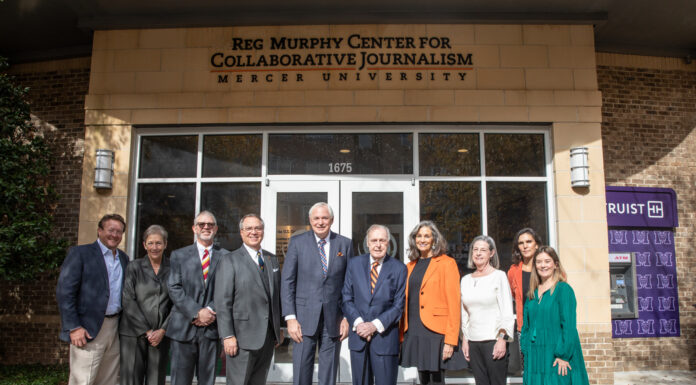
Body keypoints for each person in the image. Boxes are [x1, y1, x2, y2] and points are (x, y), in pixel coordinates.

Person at [280, 202, 354, 385]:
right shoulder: (297, 243)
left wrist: (346, 317)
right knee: (301, 370)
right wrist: (290, 318)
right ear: (310, 220)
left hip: (334, 319)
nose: (320, 222)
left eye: (324, 218)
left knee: (329, 373)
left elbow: (349, 284)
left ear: (332, 220)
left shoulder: (345, 244)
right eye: (316, 218)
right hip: (303, 319)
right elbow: (288, 281)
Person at [56, 213, 129, 385]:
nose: (115, 235)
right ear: (99, 231)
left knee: (108, 379)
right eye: (111, 230)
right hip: (87, 328)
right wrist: (73, 327)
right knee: (83, 380)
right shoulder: (81, 253)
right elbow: (64, 292)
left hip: (114, 327)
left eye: (119, 232)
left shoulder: (123, 259)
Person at [215, 214, 282, 385]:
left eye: (258, 228)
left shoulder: (271, 259)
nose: (254, 232)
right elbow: (223, 302)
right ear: (241, 232)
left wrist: (278, 327)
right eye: (249, 228)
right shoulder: (229, 260)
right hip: (241, 339)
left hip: (267, 338)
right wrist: (227, 335)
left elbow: (275, 297)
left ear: (263, 231)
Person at [400, 220, 466, 385]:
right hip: (414, 327)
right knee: (423, 377)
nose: (422, 240)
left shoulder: (446, 263)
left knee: (436, 379)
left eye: (427, 236)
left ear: (434, 240)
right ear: (414, 239)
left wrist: (451, 340)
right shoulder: (409, 266)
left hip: (436, 331)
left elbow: (454, 302)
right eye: (419, 236)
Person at [342, 225, 407, 385]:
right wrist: (359, 324)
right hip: (359, 338)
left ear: (388, 243)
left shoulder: (399, 268)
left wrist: (373, 326)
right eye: (374, 240)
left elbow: (398, 305)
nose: (378, 245)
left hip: (385, 339)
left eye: (382, 240)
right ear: (367, 243)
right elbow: (346, 298)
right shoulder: (354, 264)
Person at [167, 210, 225, 385]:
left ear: (216, 229)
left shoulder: (227, 256)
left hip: (211, 329)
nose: (206, 227)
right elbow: (174, 287)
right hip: (183, 328)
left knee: (207, 381)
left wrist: (209, 310)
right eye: (201, 224)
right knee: (180, 381)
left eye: (210, 225)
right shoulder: (179, 255)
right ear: (194, 228)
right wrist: (196, 312)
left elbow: (228, 290)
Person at [521, 246, 589, 385]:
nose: (543, 265)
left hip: (555, 353)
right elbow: (526, 326)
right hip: (535, 354)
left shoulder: (563, 290)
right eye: (539, 262)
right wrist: (526, 349)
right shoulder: (532, 294)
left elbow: (569, 326)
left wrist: (563, 355)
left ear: (555, 264)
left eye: (547, 261)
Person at [119, 224, 172, 385]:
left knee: (156, 380)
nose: (154, 247)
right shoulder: (134, 267)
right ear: (144, 245)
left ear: (165, 244)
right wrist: (147, 331)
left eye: (158, 243)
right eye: (150, 243)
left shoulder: (174, 268)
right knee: (131, 380)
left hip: (160, 334)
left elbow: (177, 303)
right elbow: (128, 300)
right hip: (133, 333)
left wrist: (162, 330)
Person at [460, 235, 515, 385]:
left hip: (493, 340)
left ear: (491, 253)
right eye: (475, 249)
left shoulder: (499, 276)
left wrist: (502, 340)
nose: (478, 253)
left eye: (483, 250)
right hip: (473, 341)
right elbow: (464, 314)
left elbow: (507, 311)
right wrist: (465, 339)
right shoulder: (465, 280)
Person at [506, 228, 542, 370]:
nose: (525, 246)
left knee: (547, 370)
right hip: (524, 329)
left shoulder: (546, 266)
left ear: (537, 244)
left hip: (546, 326)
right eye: (521, 243)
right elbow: (514, 298)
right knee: (528, 370)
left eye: (529, 242)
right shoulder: (513, 271)